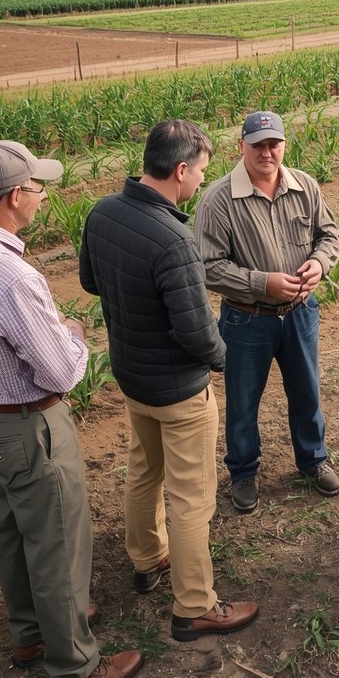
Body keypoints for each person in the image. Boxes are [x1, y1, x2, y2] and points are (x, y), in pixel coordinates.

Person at [0, 140, 142, 678]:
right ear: (15, 196)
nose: (42, 198)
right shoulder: (9, 276)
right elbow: (62, 372)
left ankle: (31, 632)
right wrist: (74, 333)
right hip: (27, 424)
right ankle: (74, 666)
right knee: (59, 544)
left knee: (14, 528)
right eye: (38, 189)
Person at [79, 119, 258, 641]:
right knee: (191, 497)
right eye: (201, 170)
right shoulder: (174, 239)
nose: (202, 180)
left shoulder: (103, 212)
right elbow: (199, 333)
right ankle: (195, 605)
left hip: (132, 378)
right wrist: (225, 358)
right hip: (180, 390)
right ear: (180, 170)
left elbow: (91, 280)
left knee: (143, 471)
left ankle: (147, 559)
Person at [194, 111, 339, 513]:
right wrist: (264, 283)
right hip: (246, 318)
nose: (266, 152)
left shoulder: (305, 186)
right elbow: (208, 267)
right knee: (243, 401)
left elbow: (330, 234)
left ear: (284, 145)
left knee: (306, 390)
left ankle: (313, 460)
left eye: (273, 143)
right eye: (257, 144)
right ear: (240, 146)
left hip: (300, 311)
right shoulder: (219, 199)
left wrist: (320, 262)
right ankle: (243, 473)